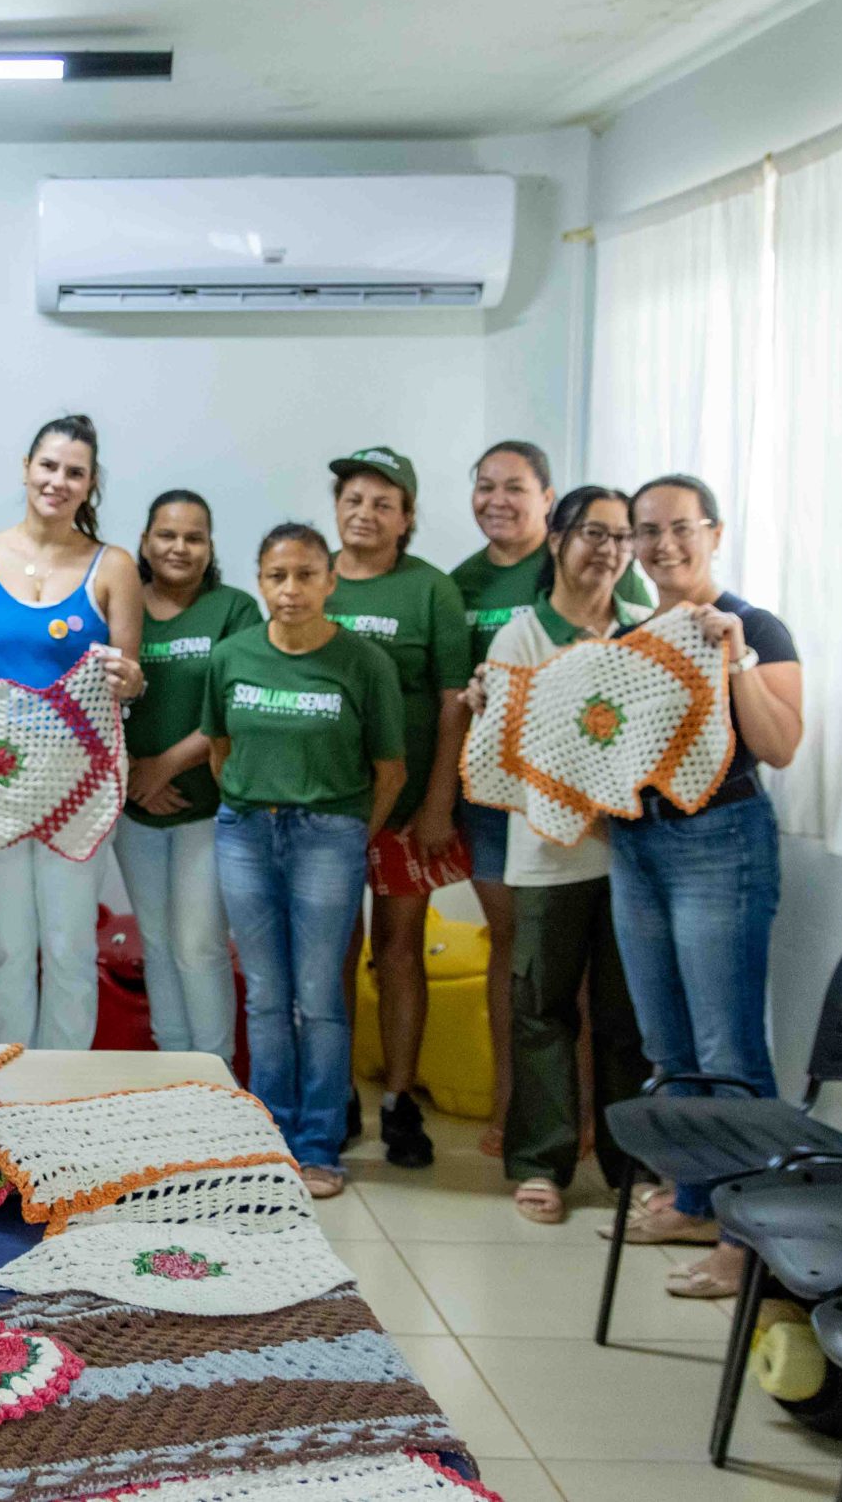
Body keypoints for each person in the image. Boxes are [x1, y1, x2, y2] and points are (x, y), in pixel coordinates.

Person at [606, 474, 804, 1301]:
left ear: (714, 532)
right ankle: (694, 1199)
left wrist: (736, 658)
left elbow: (780, 743)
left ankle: (745, 1240)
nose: (663, 546)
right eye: (646, 532)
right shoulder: (632, 636)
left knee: (729, 1055)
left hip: (720, 840)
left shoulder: (754, 625)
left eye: (679, 528)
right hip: (637, 843)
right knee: (671, 1048)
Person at [450, 440, 651, 1154]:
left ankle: (616, 1143)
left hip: (627, 838)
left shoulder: (641, 624)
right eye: (595, 534)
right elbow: (499, 731)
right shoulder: (508, 621)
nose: (610, 548)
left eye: (623, 536)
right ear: (563, 539)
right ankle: (537, 1140)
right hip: (533, 828)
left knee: (621, 1004)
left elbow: (651, 736)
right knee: (538, 990)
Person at [201, 524, 405, 1198]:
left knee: (318, 998)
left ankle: (317, 1145)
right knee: (264, 996)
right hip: (245, 832)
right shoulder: (231, 656)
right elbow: (220, 749)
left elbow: (390, 769)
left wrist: (347, 834)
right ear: (259, 580)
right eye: (276, 576)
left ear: (330, 581)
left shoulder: (364, 661)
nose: (291, 590)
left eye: (306, 575)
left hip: (329, 837)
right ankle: (267, 1136)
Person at [0, 416, 144, 1050]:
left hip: (78, 786)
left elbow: (130, 677)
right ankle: (8, 1092)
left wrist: (127, 676)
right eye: (48, 466)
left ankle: (62, 1097)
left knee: (69, 946)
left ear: (91, 484)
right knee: (6, 947)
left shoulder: (114, 566)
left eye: (74, 472)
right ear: (27, 467)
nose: (58, 480)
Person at [325, 446, 467, 1169]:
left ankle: (400, 1099)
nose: (365, 513)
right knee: (335, 954)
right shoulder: (311, 577)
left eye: (383, 502)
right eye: (353, 498)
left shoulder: (431, 590)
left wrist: (439, 799)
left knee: (400, 952)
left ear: (406, 517)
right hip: (327, 811)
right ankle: (340, 1093)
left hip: (408, 809)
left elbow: (452, 703)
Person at [114, 491, 260, 1067]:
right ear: (146, 542)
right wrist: (131, 775)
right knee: (157, 944)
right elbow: (91, 698)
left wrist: (164, 765)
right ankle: (171, 1073)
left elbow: (236, 707)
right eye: (167, 535)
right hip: (134, 807)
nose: (179, 547)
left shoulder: (235, 609)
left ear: (210, 546)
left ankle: (215, 1077)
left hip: (207, 805)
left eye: (194, 537)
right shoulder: (120, 605)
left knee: (200, 946)